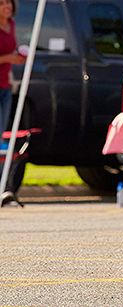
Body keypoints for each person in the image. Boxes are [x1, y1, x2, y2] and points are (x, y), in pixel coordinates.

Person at [0, 0, 25, 207]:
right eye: (1, 3)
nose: (6, 6)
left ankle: (4, 187)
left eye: (8, 3)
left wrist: (17, 58)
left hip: (5, 87)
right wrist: (8, 57)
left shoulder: (12, 25)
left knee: (1, 135)